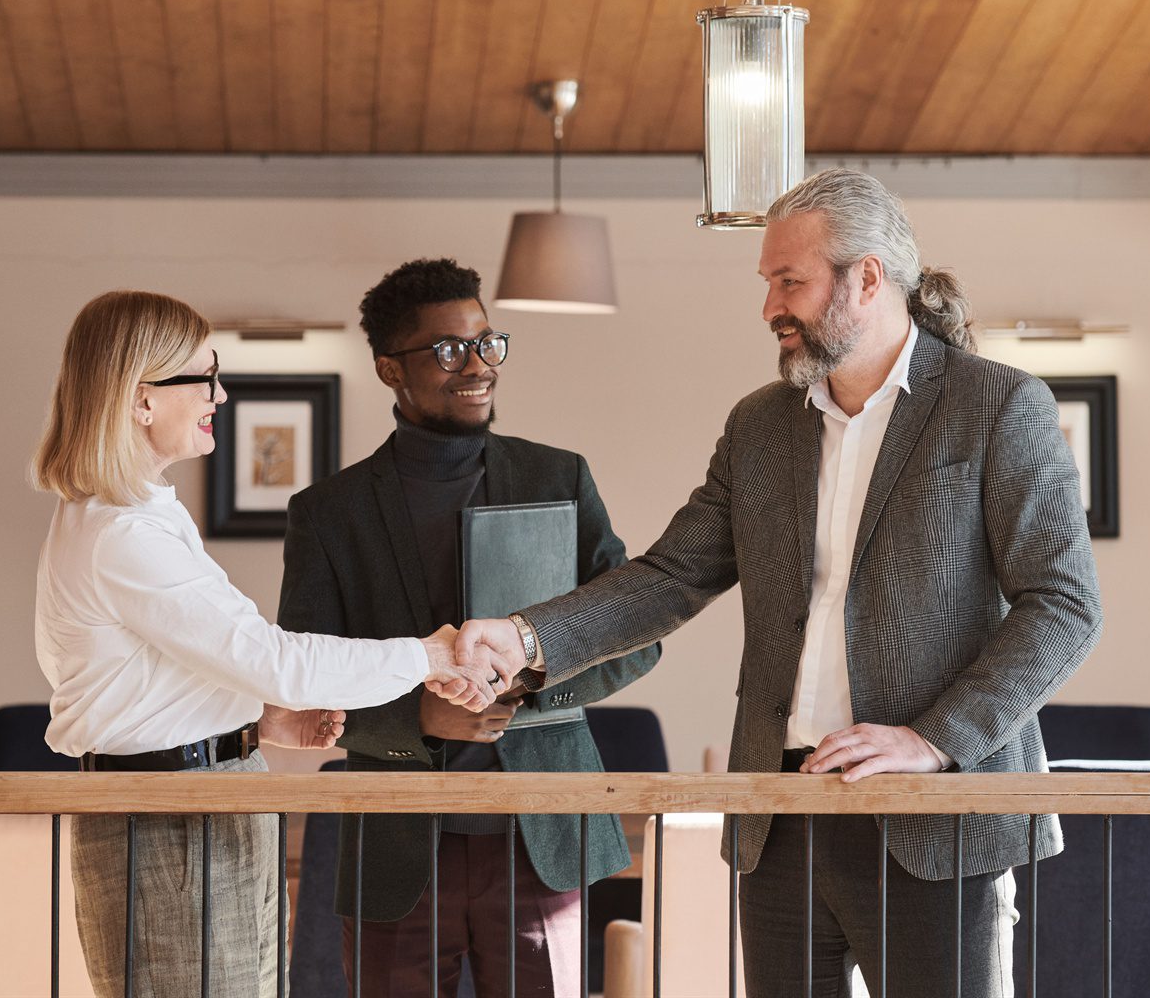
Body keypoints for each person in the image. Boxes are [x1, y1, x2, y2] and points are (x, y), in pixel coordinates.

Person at [457, 170, 1102, 998]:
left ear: (868, 276)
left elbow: (1066, 606)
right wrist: (525, 639)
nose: (769, 307)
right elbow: (668, 576)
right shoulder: (759, 424)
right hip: (779, 817)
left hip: (937, 823)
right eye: (767, 282)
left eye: (788, 281)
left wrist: (934, 740)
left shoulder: (998, 406)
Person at [30, 290, 498, 997]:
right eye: (203, 377)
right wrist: (429, 656)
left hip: (201, 802)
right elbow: (274, 659)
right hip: (169, 821)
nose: (219, 393)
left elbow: (155, 670)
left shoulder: (137, 515)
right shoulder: (122, 533)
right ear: (139, 400)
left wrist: (249, 723)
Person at [278, 258, 660, 997]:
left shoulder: (560, 479)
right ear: (391, 368)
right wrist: (415, 718)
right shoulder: (329, 513)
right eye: (449, 349)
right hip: (395, 845)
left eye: (488, 342)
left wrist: (532, 674)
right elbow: (305, 681)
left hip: (538, 839)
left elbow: (635, 633)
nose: (478, 364)